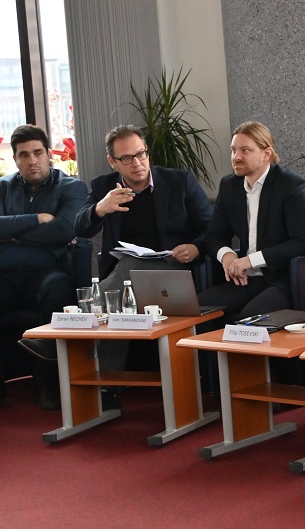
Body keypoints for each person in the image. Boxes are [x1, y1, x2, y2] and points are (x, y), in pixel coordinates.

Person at [59, 125, 212, 375]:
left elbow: (212, 228)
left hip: (175, 269)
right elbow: (79, 228)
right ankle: (108, 385)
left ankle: (71, 333)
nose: (137, 163)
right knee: (120, 296)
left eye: (141, 154)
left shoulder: (179, 181)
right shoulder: (103, 187)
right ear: (113, 162)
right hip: (127, 276)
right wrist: (99, 208)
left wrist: (196, 247)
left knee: (126, 271)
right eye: (127, 158)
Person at [0, 124, 87, 410]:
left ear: (48, 154)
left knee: (59, 288)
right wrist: (36, 219)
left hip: (46, 273)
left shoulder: (72, 187)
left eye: (38, 152)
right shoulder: (2, 186)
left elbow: (64, 229)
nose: (32, 160)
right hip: (0, 273)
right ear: (15, 159)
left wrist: (12, 234)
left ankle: (48, 380)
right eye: (24, 155)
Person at [199, 121, 305, 319]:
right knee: (196, 310)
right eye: (233, 150)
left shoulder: (292, 186)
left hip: (282, 280)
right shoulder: (229, 186)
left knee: (249, 319)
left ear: (266, 154)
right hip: (245, 280)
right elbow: (215, 235)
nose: (236, 157)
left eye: (245, 150)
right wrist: (226, 255)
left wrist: (250, 260)